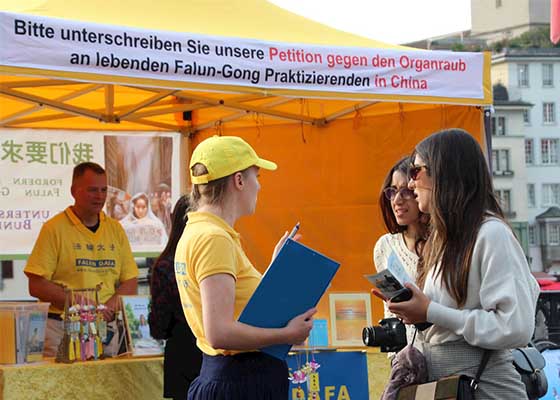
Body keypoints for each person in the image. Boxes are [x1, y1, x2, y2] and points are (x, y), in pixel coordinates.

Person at [382, 129, 540, 399]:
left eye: (416, 171)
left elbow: (515, 327)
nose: (410, 184)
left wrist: (430, 311)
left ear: (445, 173)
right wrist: (414, 312)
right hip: (445, 386)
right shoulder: (444, 241)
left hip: (484, 387)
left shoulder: (491, 234)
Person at [175, 135, 316, 400]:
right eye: (256, 176)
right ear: (239, 181)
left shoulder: (204, 231)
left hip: (234, 378)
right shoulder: (213, 238)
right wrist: (286, 334)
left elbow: (236, 308)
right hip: (239, 383)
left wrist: (275, 270)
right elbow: (220, 332)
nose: (259, 187)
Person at [24, 162, 139, 357]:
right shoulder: (54, 229)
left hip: (105, 329)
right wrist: (80, 304)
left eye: (103, 190)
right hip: (62, 328)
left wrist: (107, 308)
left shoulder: (115, 229)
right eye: (92, 190)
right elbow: (36, 284)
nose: (100, 196)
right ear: (73, 191)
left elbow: (130, 280)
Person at [149, 195, 202, 400]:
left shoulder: (165, 265)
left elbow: (159, 326)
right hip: (213, 358)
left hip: (182, 357)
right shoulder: (209, 258)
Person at [373, 156, 428, 353]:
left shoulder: (445, 242)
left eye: (406, 191)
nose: (397, 200)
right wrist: (398, 360)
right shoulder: (385, 246)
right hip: (409, 357)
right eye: (393, 191)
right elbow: (391, 310)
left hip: (446, 352)